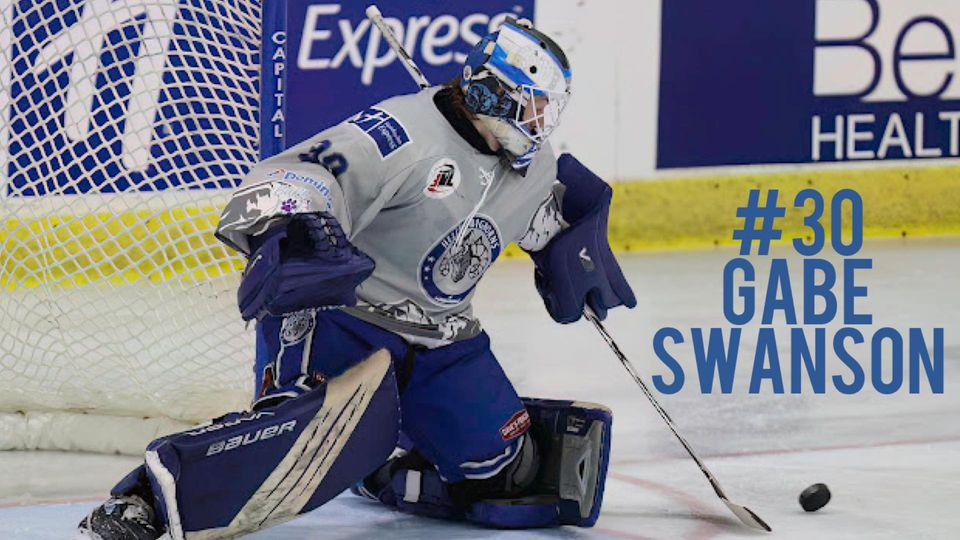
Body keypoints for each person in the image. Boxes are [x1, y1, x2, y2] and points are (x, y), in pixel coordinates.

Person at [77, 19, 635, 540]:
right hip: (345, 321)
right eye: (533, 105)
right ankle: (143, 502)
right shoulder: (400, 133)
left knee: (508, 472)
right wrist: (299, 223)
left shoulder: (534, 165)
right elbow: (295, 173)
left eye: (547, 109)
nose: (540, 121)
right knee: (300, 437)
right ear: (491, 93)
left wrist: (572, 242)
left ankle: (383, 470)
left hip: (442, 340)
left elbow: (541, 215)